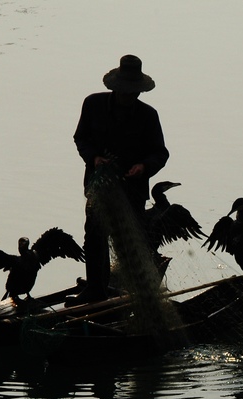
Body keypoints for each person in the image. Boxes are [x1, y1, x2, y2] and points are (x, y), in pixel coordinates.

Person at [69, 54, 170, 304]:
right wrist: (94, 158)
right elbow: (81, 138)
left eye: (134, 92)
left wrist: (143, 166)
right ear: (115, 88)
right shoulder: (93, 105)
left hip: (132, 192)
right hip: (99, 188)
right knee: (94, 236)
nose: (129, 96)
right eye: (126, 91)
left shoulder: (148, 116)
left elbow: (160, 153)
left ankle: (136, 293)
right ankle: (96, 289)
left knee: (129, 242)